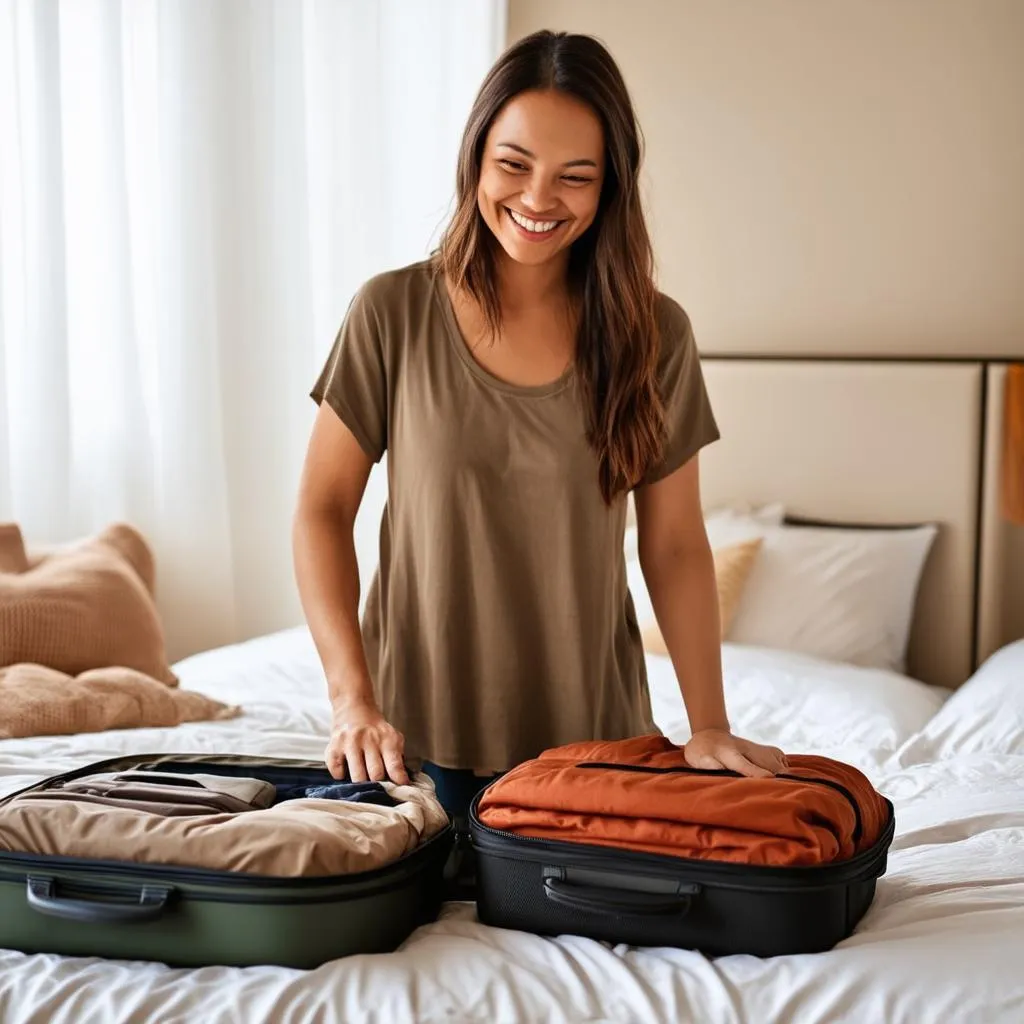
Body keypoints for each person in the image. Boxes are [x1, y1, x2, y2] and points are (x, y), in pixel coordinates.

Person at [292, 30, 787, 844]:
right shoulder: (392, 313)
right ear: (476, 160)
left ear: (609, 190)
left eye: (575, 177)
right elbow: (321, 509)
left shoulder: (654, 337)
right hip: (409, 754)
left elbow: (672, 546)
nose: (538, 197)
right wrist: (353, 702)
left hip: (594, 758)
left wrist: (708, 724)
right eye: (514, 164)